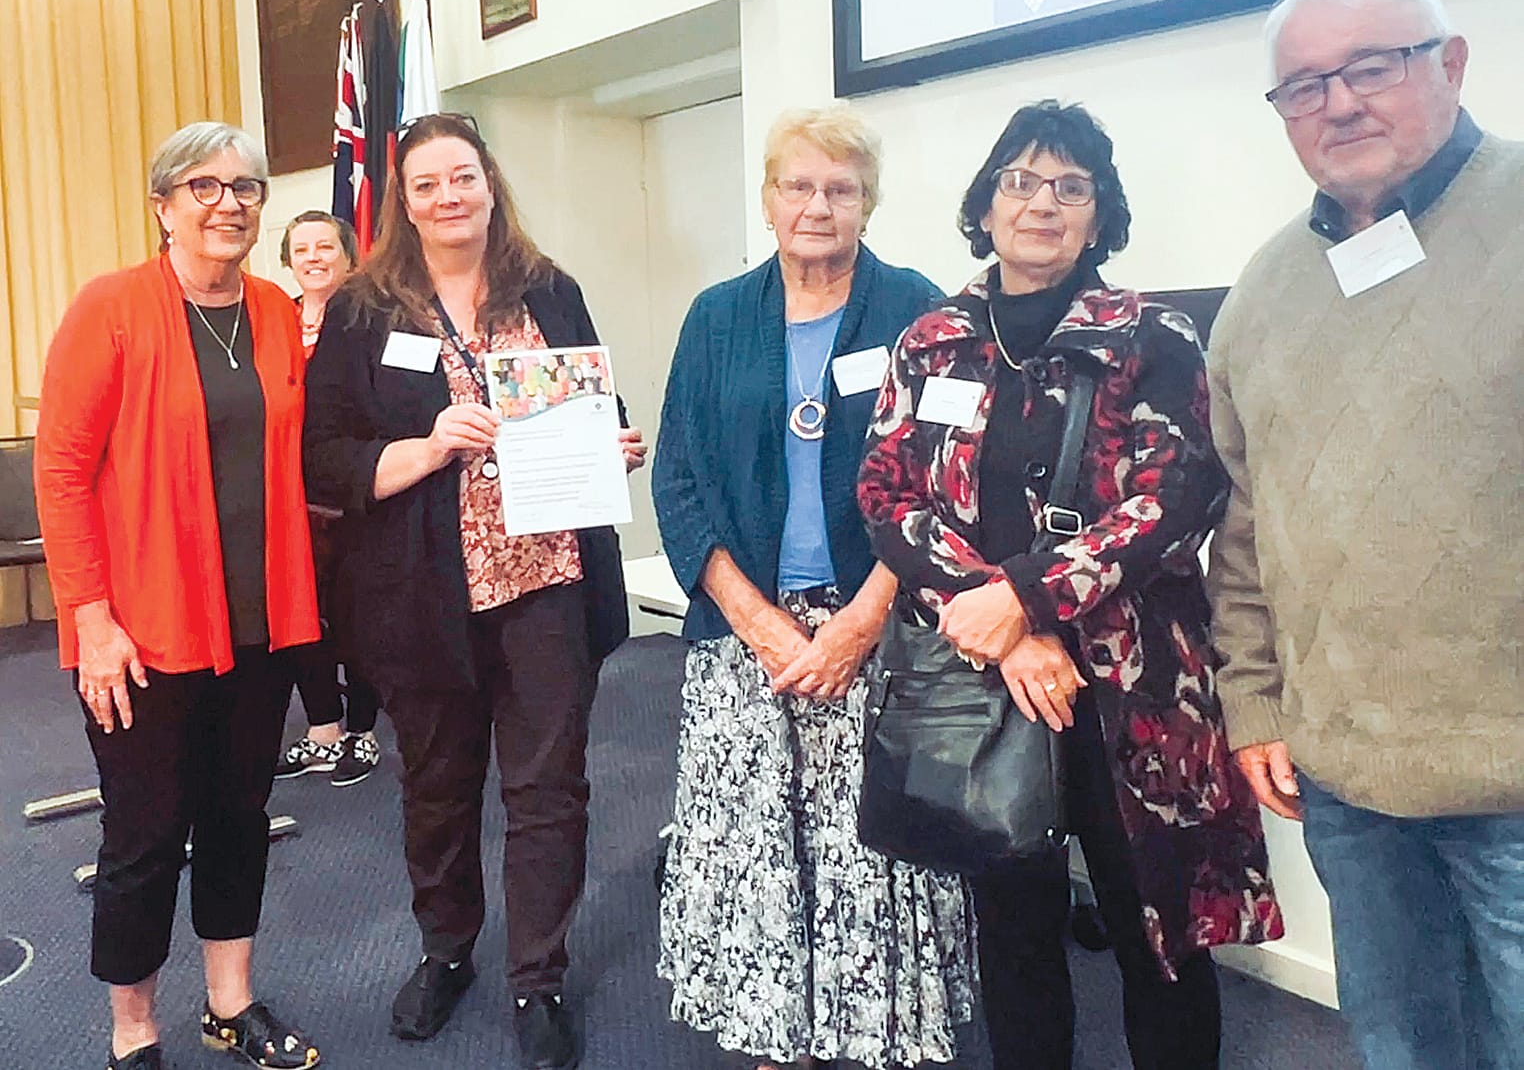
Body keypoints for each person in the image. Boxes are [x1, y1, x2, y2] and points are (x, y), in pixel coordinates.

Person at [858, 100, 1283, 1070]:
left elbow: (1178, 490)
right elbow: (887, 491)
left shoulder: (1153, 335)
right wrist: (1002, 623)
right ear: (986, 201)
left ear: (1100, 213)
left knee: (1161, 941)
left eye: (1070, 186)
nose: (1042, 202)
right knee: (1012, 931)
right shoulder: (932, 341)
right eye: (1021, 179)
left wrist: (1028, 596)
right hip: (994, 680)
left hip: (1139, 692)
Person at [1209, 0, 1524, 1070]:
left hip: (1516, 781)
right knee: (1401, 1044)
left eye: (1371, 67)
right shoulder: (1263, 292)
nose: (1338, 103)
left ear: (1451, 62)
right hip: (1348, 776)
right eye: (1303, 86)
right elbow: (1246, 519)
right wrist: (1252, 700)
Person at [302, 112, 645, 1070]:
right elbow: (321, 461)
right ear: (403, 205)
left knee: (549, 790)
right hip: (421, 596)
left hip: (546, 584)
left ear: (490, 184)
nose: (448, 197)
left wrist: (618, 443)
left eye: (463, 178)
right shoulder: (367, 313)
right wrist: (422, 449)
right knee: (439, 788)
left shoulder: (550, 290)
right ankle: (447, 951)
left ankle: (539, 976)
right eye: (427, 185)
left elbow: (596, 403)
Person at [653, 105, 977, 1070]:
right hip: (744, 636)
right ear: (767, 199)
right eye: (798, 185)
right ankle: (775, 1034)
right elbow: (677, 478)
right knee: (757, 842)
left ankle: (878, 1033)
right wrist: (760, 626)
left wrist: (862, 621)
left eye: (841, 188)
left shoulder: (917, 308)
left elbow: (943, 474)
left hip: (876, 628)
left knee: (873, 852)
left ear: (868, 203)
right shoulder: (716, 318)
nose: (818, 205)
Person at [33, 121, 322, 1070]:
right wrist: (91, 616)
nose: (227, 203)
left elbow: (307, 451)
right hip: (142, 633)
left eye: (245, 188)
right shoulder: (112, 308)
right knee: (146, 836)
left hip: (261, 626)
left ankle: (230, 1005)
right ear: (163, 205)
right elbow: (63, 471)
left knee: (239, 816)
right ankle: (133, 1030)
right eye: (203, 186)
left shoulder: (276, 311)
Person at [272, 210, 381, 787]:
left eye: (326, 247)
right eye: (301, 249)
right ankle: (323, 730)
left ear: (349, 254)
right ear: (288, 261)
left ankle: (363, 732)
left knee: (358, 622)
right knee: (294, 619)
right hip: (285, 503)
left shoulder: (374, 317)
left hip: (355, 501)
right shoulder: (269, 321)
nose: (314, 257)